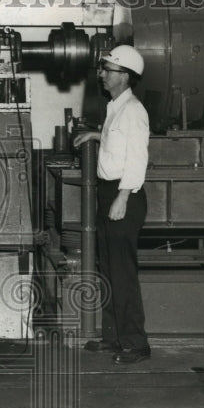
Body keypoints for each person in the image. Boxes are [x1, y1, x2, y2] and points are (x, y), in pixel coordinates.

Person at [73, 44, 151, 364]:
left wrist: (123, 195)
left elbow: (137, 157)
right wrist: (95, 135)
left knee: (122, 273)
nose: (102, 75)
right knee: (108, 270)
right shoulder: (115, 107)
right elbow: (115, 144)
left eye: (109, 70)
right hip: (109, 192)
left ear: (126, 76)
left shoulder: (133, 110)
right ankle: (113, 338)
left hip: (124, 195)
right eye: (103, 69)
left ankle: (136, 343)